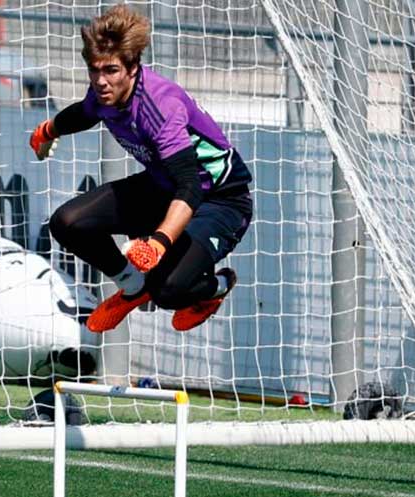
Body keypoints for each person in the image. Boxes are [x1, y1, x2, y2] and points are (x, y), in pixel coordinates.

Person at [29, 3, 254, 333]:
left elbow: (189, 187)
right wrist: (48, 131)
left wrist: (158, 244)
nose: (101, 81)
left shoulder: (159, 109)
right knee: (67, 223)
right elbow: (85, 113)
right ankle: (133, 288)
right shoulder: (104, 93)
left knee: (168, 291)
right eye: (94, 70)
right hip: (164, 188)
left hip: (220, 201)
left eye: (111, 71)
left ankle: (215, 288)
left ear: (133, 68)